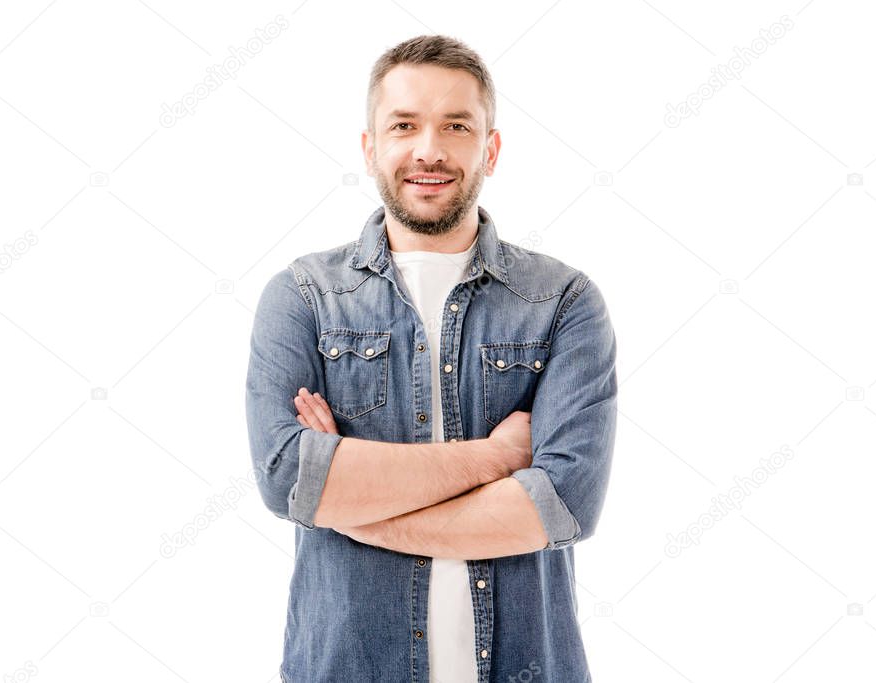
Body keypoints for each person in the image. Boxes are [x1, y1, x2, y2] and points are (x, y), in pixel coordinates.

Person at [245, 34, 618, 683]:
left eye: (456, 125)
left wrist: (351, 501)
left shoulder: (563, 302)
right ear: (370, 148)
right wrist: (496, 458)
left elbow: (562, 504)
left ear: (490, 148)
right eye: (404, 125)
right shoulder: (303, 298)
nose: (429, 149)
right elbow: (288, 481)